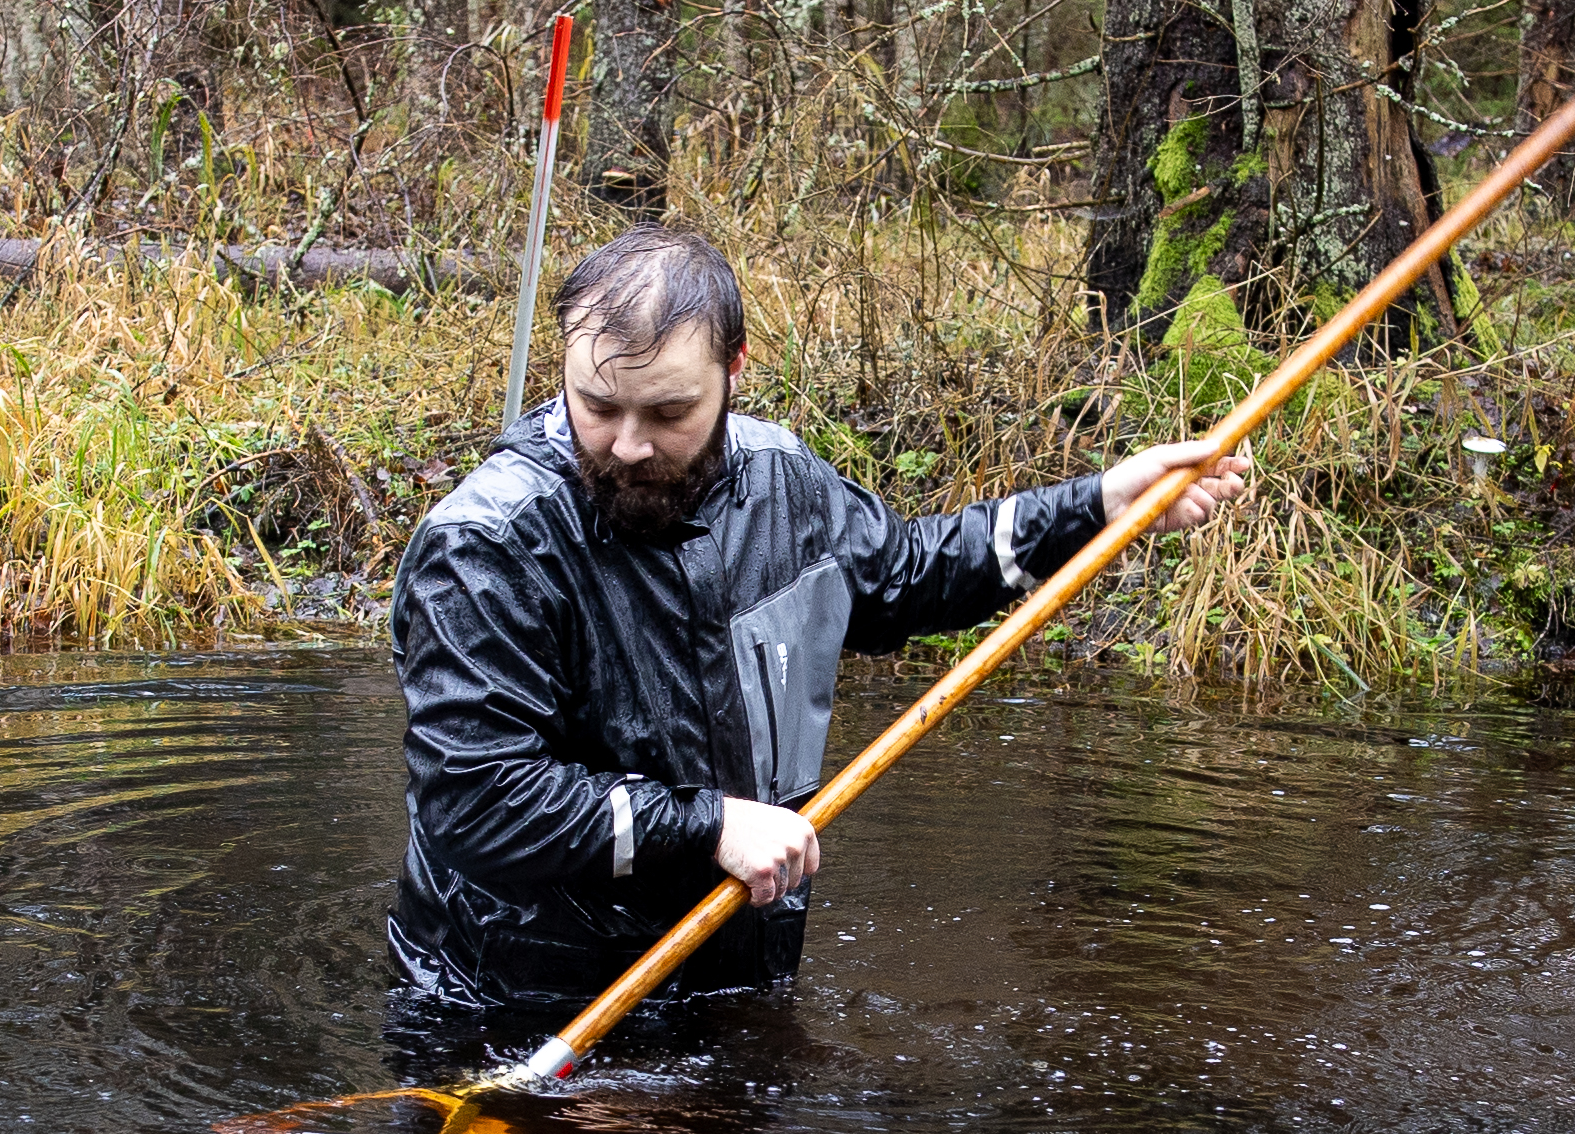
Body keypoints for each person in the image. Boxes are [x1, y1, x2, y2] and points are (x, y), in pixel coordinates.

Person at [386, 225, 1249, 1032]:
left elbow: (909, 577)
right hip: (512, 1007)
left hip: (728, 984)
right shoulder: (486, 546)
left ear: (735, 368)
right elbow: (480, 800)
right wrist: (709, 826)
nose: (628, 445)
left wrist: (1096, 508)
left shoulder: (782, 483)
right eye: (598, 405)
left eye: (668, 412)